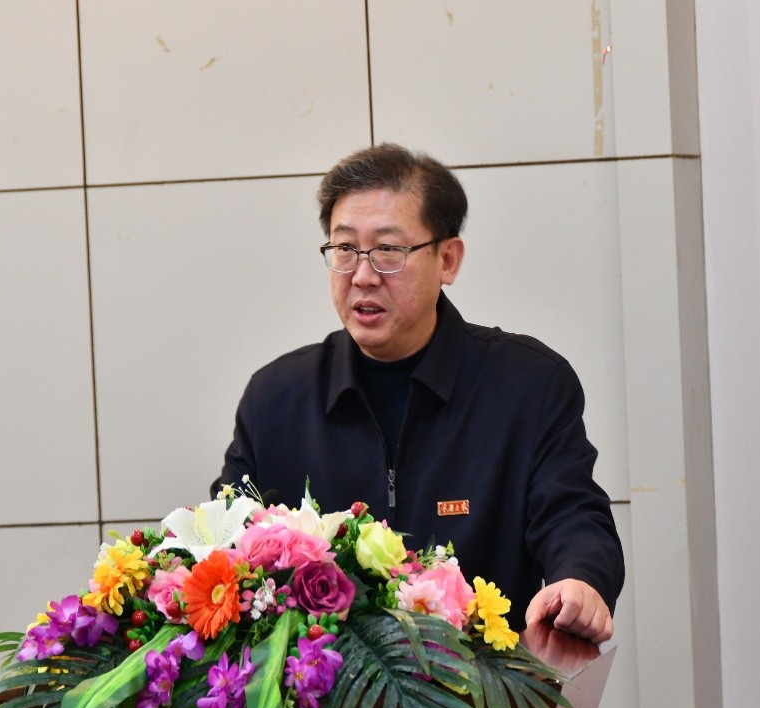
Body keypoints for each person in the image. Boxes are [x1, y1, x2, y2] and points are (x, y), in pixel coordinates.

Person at [213, 143, 623, 644]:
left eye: (388, 250)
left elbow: (572, 515)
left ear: (447, 259)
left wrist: (580, 579)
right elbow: (226, 543)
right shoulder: (276, 400)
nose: (363, 275)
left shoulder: (528, 385)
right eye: (345, 249)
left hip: (482, 683)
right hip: (321, 686)